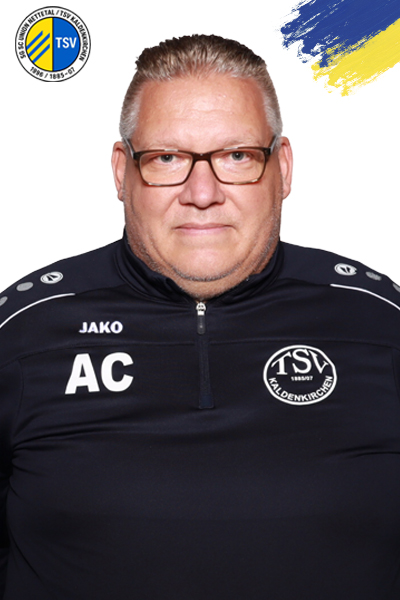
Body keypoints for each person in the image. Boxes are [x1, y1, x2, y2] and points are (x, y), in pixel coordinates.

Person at [1, 34, 400, 600]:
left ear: (283, 168)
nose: (203, 192)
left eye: (237, 156)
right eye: (167, 158)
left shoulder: (381, 326)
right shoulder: (24, 333)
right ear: (122, 172)